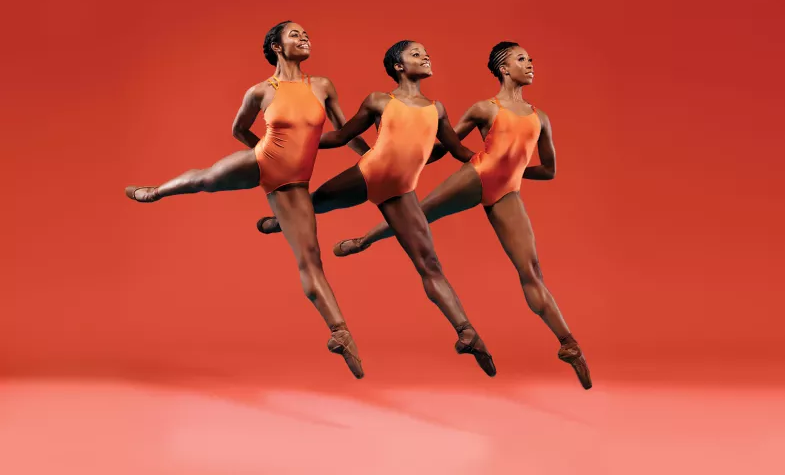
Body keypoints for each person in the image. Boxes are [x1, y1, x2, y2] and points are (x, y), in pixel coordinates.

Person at [330, 42, 592, 389]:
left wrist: (513, 171)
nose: (530, 64)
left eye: (531, 58)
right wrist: (406, 160)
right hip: (475, 175)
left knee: (531, 271)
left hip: (506, 192)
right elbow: (444, 143)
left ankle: (568, 344)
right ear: (503, 68)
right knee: (420, 213)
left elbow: (549, 171)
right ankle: (365, 239)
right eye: (521, 59)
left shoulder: (540, 118)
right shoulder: (485, 109)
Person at [124, 21, 369, 379]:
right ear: (277, 46)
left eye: (306, 34)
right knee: (207, 178)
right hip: (261, 160)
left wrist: (369, 157)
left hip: (293, 183)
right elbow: (239, 129)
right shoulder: (260, 92)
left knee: (310, 259)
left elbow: (344, 131)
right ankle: (158, 190)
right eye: (295, 34)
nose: (305, 38)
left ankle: (340, 333)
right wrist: (266, 152)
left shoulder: (322, 86)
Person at [256, 40, 496, 377]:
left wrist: (487, 158)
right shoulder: (379, 100)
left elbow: (455, 149)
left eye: (427, 53)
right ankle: (279, 221)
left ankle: (466, 331)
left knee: (429, 263)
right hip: (368, 174)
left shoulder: (437, 109)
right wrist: (294, 141)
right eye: (416, 54)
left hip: (400, 191)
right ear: (398, 66)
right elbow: (342, 137)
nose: (426, 56)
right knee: (312, 206)